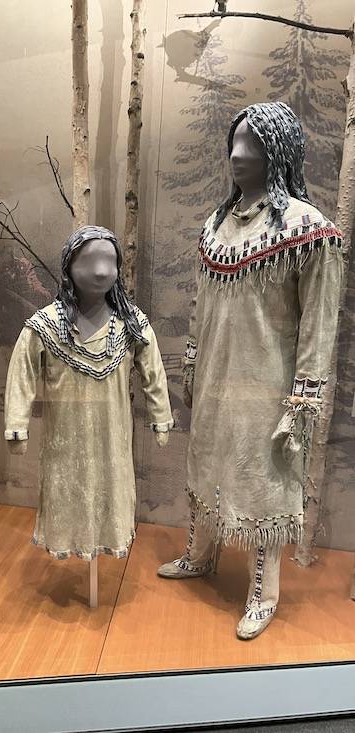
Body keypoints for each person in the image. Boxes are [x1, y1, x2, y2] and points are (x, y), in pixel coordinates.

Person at [158, 102, 343, 640]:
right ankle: (201, 553)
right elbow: (201, 305)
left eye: (254, 145)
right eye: (235, 143)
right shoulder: (217, 223)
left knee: (266, 478)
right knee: (207, 460)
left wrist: (303, 400)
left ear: (278, 152)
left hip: (268, 383)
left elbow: (320, 324)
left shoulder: (308, 229)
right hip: (217, 376)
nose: (238, 155)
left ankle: (264, 590)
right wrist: (192, 364)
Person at [4, 225, 173, 560]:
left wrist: (161, 416)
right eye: (89, 261)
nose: (100, 271)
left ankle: (106, 539)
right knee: (67, 490)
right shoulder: (46, 325)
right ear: (69, 266)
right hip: (65, 441)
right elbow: (21, 375)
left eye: (109, 261)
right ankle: (70, 541)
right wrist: (16, 425)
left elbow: (154, 373)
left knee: (111, 490)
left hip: (113, 439)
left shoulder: (131, 324)